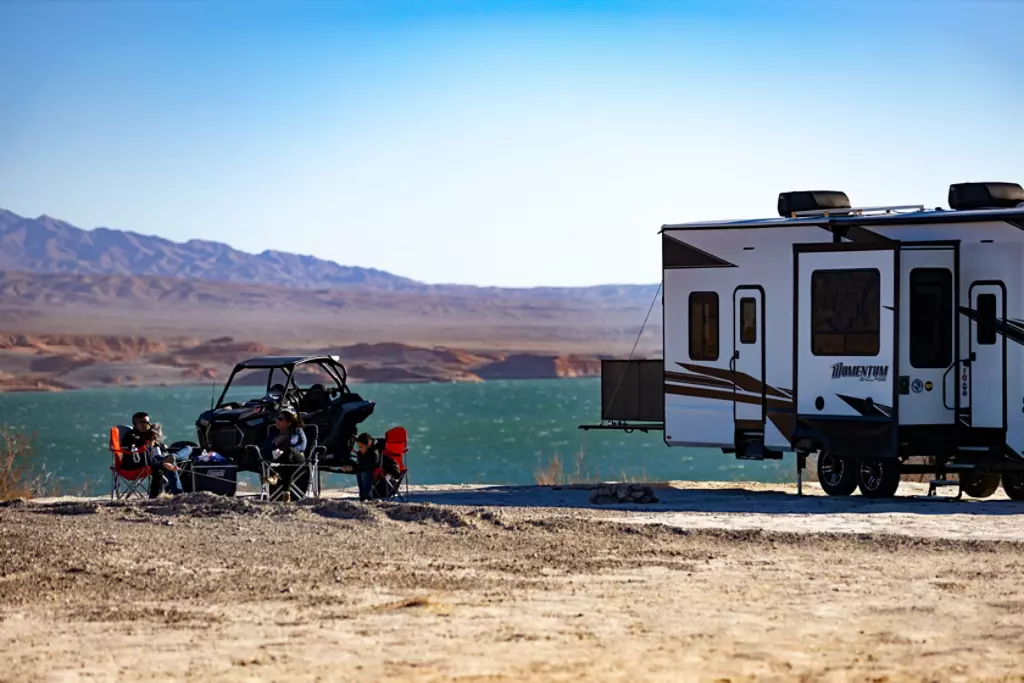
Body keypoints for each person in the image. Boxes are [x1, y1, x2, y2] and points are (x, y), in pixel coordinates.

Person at [123, 412, 191, 497]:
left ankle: (174, 456)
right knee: (169, 463)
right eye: (142, 423)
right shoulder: (132, 437)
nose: (145, 425)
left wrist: (158, 440)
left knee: (188, 448)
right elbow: (142, 456)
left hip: (161, 456)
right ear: (135, 424)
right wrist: (150, 444)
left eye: (147, 422)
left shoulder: (152, 433)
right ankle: (178, 494)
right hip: (147, 460)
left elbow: (161, 449)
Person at [262, 410, 307, 502]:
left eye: (280, 419)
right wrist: (275, 444)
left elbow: (303, 445)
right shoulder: (273, 432)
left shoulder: (297, 430)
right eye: (277, 418)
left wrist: (286, 447)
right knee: (284, 459)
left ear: (289, 422)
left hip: (297, 459)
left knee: (288, 451)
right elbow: (267, 449)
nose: (277, 421)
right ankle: (286, 492)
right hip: (281, 460)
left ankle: (275, 476)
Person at [339, 432, 384, 501]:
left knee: (364, 473)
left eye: (361, 446)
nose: (359, 449)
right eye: (358, 446)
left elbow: (368, 466)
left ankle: (367, 496)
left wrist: (352, 468)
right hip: (365, 469)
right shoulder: (361, 452)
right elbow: (360, 465)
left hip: (375, 470)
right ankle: (362, 495)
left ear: (368, 445)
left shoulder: (374, 453)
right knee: (359, 473)